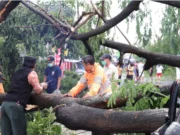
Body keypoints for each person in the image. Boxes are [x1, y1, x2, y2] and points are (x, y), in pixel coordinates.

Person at [1, 56, 48, 135]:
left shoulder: (17, 72)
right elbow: (37, 90)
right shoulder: (31, 73)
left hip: (4, 105)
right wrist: (43, 85)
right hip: (15, 106)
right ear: (34, 65)